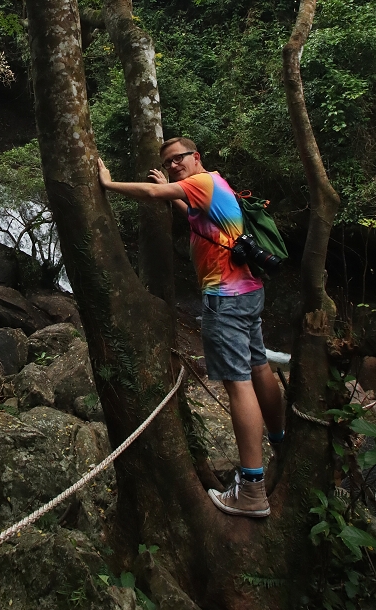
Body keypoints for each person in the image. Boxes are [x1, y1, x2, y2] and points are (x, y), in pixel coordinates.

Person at [97, 137, 285, 518]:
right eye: (168, 163)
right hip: (248, 290)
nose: (173, 166)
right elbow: (198, 217)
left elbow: (151, 192)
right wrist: (174, 197)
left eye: (178, 159)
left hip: (225, 297)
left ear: (196, 157)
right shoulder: (214, 183)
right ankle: (281, 441)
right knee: (259, 366)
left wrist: (108, 184)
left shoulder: (200, 181)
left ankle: (252, 490)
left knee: (238, 383)